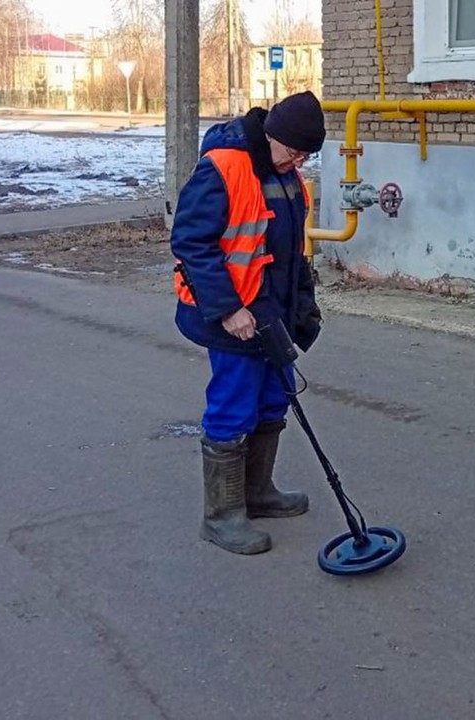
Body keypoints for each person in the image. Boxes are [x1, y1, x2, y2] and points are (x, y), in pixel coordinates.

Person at [171, 92, 325, 555]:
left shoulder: (289, 177)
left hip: (270, 315)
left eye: (305, 155)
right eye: (294, 151)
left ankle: (258, 493)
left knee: (272, 401)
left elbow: (292, 251)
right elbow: (191, 242)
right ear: (272, 135)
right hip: (232, 317)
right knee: (232, 407)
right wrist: (227, 310)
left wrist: (301, 307)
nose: (299, 160)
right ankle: (221, 516)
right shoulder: (224, 166)